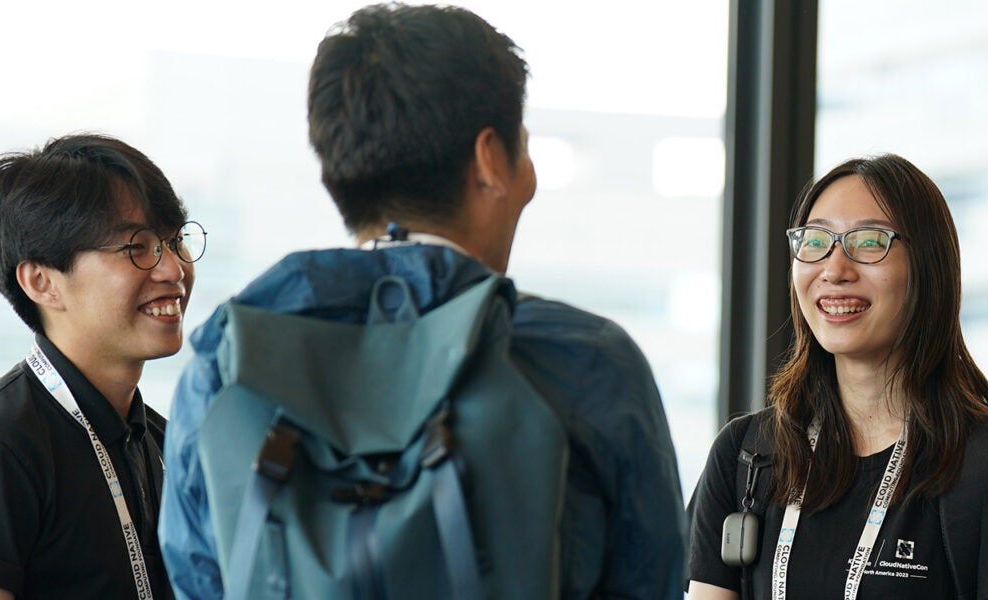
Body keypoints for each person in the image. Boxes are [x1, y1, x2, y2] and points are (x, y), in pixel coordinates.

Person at [156, 4, 684, 598]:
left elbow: (198, 579)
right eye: (524, 148)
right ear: (491, 161)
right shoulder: (586, 361)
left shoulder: (226, 360)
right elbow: (648, 582)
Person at [686, 154, 988, 600]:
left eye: (868, 242)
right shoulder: (746, 455)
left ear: (928, 266)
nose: (834, 269)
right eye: (815, 240)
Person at [0, 134, 202, 599]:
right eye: (138, 247)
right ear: (43, 282)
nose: (173, 269)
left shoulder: (161, 441)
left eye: (174, 239)